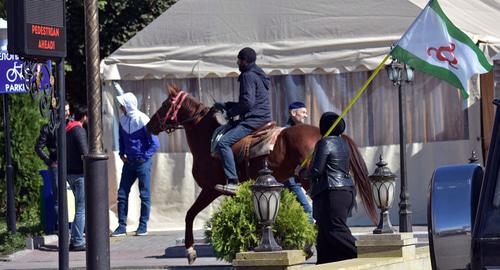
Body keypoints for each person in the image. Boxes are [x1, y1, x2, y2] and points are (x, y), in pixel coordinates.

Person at [214, 47, 272, 195]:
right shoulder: (259, 74)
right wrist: (227, 105)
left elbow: (247, 104)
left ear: (244, 61)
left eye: (239, 59)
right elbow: (248, 102)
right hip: (263, 117)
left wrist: (230, 113)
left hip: (253, 120)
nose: (237, 62)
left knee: (223, 143)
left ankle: (233, 181)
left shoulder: (247, 75)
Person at [302, 112, 358, 264]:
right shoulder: (344, 144)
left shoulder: (325, 143)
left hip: (332, 193)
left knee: (335, 231)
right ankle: (324, 265)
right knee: (324, 237)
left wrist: (301, 172)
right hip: (344, 192)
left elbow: (316, 170)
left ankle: (364, 255)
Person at [111, 92, 159, 237]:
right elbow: (121, 138)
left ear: (127, 105)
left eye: (122, 105)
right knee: (122, 193)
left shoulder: (143, 120)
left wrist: (144, 157)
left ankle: (143, 225)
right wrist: (121, 153)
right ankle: (121, 226)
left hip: (142, 162)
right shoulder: (123, 120)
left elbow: (155, 144)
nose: (120, 107)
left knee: (144, 195)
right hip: (129, 162)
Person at [34, 103, 71, 233]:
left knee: (70, 197)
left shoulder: (70, 125)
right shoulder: (48, 128)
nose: (67, 113)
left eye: (68, 110)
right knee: (58, 199)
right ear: (56, 112)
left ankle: (70, 227)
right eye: (65, 110)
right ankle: (63, 227)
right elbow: (38, 147)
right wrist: (49, 161)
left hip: (70, 165)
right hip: (56, 165)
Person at [283, 102, 313, 223]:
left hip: (297, 177)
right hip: (290, 178)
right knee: (306, 208)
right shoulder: (285, 132)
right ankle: (310, 235)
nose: (306, 116)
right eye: (303, 112)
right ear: (293, 113)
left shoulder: (302, 133)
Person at [66, 105, 88, 251]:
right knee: (81, 209)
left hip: (70, 173)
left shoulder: (67, 129)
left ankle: (75, 239)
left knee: (78, 208)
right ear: (84, 116)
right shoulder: (78, 130)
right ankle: (78, 241)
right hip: (80, 174)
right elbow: (85, 152)